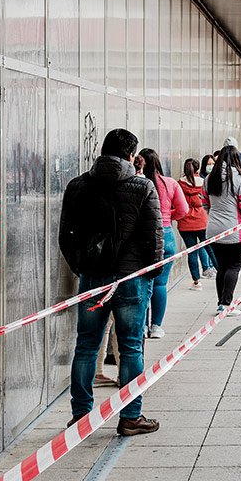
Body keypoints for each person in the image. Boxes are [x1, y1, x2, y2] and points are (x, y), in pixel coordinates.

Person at [59, 128, 162, 436]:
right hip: (131, 280)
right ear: (132, 156)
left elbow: (66, 236)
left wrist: (82, 268)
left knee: (86, 345)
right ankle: (131, 416)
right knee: (131, 347)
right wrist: (148, 274)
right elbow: (154, 239)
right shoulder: (143, 187)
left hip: (93, 277)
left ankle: (80, 417)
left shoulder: (77, 185)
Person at [139, 148, 188, 339]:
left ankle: (141, 326)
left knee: (143, 283)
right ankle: (156, 327)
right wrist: (167, 218)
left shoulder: (139, 183)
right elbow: (183, 210)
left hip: (144, 236)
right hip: (166, 234)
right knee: (160, 284)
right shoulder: (170, 183)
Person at [205, 146, 241, 315]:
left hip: (213, 230)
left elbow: (205, 203)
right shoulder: (240, 180)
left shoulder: (209, 178)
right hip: (236, 230)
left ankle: (221, 302)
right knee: (234, 267)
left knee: (222, 267)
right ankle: (226, 304)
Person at [178, 159, 215, 290]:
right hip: (202, 220)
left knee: (192, 252)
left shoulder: (179, 184)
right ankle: (220, 272)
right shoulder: (204, 182)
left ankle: (196, 282)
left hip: (185, 222)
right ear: (198, 169)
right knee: (210, 248)